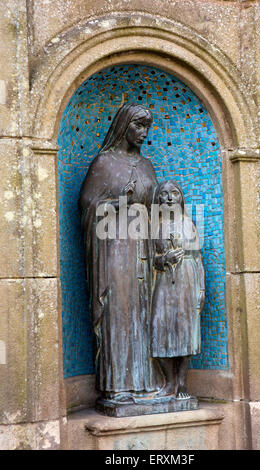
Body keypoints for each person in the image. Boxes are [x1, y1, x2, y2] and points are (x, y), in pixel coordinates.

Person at [78, 103, 161, 403]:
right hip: (114, 249)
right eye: (138, 126)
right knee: (119, 312)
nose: (143, 133)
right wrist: (117, 203)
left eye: (147, 127)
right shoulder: (104, 162)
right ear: (124, 125)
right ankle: (118, 385)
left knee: (144, 311)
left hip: (144, 249)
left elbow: (158, 206)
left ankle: (146, 382)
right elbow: (88, 207)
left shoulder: (147, 165)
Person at [151, 180, 205, 399]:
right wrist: (164, 258)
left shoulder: (189, 224)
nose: (170, 198)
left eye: (174, 193)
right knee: (158, 329)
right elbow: (147, 261)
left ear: (181, 198)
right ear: (158, 199)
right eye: (164, 194)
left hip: (187, 281)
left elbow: (198, 258)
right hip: (163, 283)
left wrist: (201, 289)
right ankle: (169, 382)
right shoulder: (152, 226)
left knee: (186, 331)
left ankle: (182, 383)